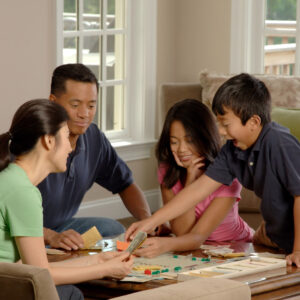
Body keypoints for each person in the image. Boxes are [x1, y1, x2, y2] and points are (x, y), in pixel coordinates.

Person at [125, 73, 300, 268]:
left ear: (253, 122)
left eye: (226, 124)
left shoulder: (279, 143)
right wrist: (150, 222)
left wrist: (298, 250)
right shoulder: (232, 151)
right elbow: (198, 190)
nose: (221, 131)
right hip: (277, 237)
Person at [0, 99, 133, 300]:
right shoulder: (22, 192)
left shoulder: (11, 178)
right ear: (49, 141)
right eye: (67, 136)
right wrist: (105, 270)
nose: (71, 148)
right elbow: (41, 274)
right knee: (70, 293)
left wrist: (99, 260)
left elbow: (29, 265)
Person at [38, 63, 153, 251]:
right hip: (25, 233)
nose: (84, 114)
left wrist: (147, 221)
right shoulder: (32, 143)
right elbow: (8, 218)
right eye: (75, 105)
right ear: (53, 102)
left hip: (62, 226)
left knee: (112, 228)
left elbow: (125, 183)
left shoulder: (93, 138)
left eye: (91, 105)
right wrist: (51, 236)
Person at [134, 99, 253, 258]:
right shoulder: (168, 172)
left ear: (205, 137)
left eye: (190, 140)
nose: (182, 149)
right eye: (174, 142)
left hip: (235, 246)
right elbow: (181, 231)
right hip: (196, 249)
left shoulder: (227, 175)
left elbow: (197, 237)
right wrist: (190, 178)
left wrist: (164, 244)